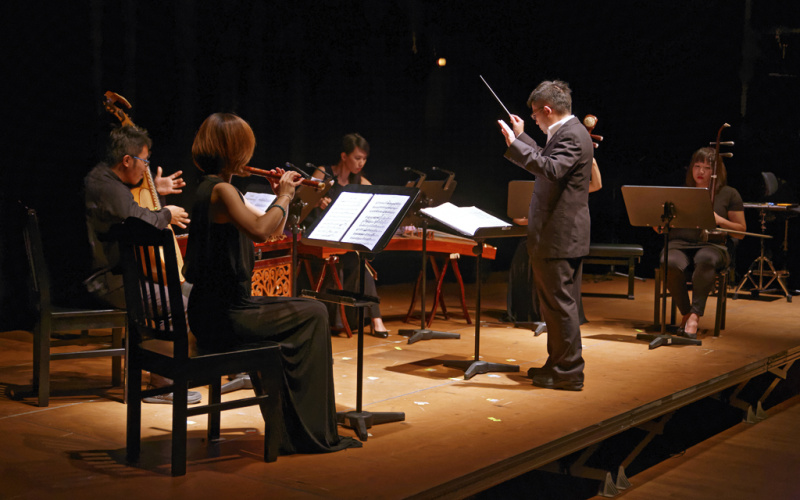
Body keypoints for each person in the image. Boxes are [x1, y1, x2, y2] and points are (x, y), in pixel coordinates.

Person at [183, 112, 361, 454]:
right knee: (315, 314)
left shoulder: (213, 188)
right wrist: (286, 196)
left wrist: (277, 193)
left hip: (214, 310)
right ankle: (306, 432)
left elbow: (271, 230)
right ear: (234, 150)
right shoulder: (222, 190)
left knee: (309, 311)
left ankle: (292, 425)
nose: (250, 157)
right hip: (226, 316)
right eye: (245, 149)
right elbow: (262, 230)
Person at [84, 124, 199, 404]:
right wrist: (166, 213)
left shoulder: (103, 179)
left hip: (119, 275)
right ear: (127, 160)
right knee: (181, 304)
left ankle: (178, 367)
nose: (145, 169)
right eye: (144, 162)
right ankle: (160, 380)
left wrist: (154, 189)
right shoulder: (108, 188)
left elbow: (128, 206)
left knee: (193, 293)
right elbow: (139, 220)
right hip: (107, 281)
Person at [498, 80, 593, 391]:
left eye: (536, 115)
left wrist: (514, 144)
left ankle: (569, 372)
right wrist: (523, 136)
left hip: (560, 236)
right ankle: (557, 363)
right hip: (556, 235)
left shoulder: (573, 136)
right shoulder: (567, 133)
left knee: (560, 305)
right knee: (553, 306)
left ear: (547, 110)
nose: (535, 120)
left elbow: (550, 169)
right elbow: (547, 159)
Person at [307, 133, 389, 337]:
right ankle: (345, 319)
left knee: (360, 263)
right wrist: (316, 202)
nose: (361, 163)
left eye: (364, 158)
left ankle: (375, 319)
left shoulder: (362, 182)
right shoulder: (323, 173)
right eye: (357, 158)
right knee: (342, 261)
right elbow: (303, 201)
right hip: (319, 238)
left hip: (344, 241)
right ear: (344, 156)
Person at [660, 147, 745, 338]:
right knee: (669, 261)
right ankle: (686, 312)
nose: (700, 172)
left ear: (716, 172)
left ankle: (695, 315)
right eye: (697, 166)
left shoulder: (729, 194)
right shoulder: (682, 192)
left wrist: (719, 219)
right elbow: (665, 223)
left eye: (706, 168)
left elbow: (741, 232)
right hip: (679, 243)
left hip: (713, 246)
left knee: (706, 258)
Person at [506, 158, 602, 325]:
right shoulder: (536, 187)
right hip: (536, 235)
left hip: (558, 238)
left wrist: (592, 161)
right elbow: (517, 218)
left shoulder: (570, 187)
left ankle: (557, 315)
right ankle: (528, 313)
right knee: (524, 256)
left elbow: (596, 185)